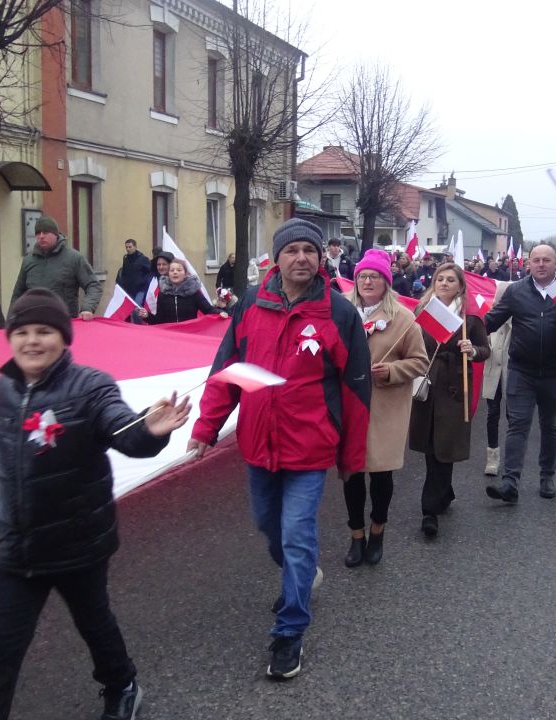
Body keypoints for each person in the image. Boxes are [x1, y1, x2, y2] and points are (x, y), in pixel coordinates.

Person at [0, 288, 192, 720]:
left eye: (44, 331)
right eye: (22, 332)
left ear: (63, 338)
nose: (32, 341)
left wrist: (148, 430)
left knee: (94, 623)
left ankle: (122, 684)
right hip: (16, 550)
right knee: (1, 649)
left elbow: (123, 429)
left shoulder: (91, 386)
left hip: (78, 543)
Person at [187, 218, 371, 680]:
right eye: (292, 251)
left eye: (310, 250)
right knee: (269, 528)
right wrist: (206, 428)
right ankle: (302, 573)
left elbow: (355, 391)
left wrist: (352, 458)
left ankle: (290, 632)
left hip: (310, 449)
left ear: (321, 258)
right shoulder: (252, 303)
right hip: (258, 444)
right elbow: (228, 370)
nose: (301, 258)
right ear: (277, 258)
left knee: (296, 535)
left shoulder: (339, 314)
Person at [342, 249, 428, 566]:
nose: (367, 281)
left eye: (375, 276)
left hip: (385, 408)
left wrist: (391, 371)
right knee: (351, 474)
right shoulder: (343, 312)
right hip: (350, 405)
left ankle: (377, 531)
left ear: (386, 282)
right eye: (363, 276)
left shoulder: (403, 319)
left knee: (380, 475)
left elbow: (420, 361)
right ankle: (356, 535)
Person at [483, 244, 556, 503]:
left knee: (550, 426)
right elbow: (492, 320)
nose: (541, 264)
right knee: (517, 424)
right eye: (536, 260)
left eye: (546, 260)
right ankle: (510, 482)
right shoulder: (516, 291)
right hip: (522, 370)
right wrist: (469, 326)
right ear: (528, 263)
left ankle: (547, 476)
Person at [409, 263, 490, 536]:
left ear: (460, 286)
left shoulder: (470, 318)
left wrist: (472, 349)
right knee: (431, 446)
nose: (444, 283)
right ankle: (443, 492)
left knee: (444, 447)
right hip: (427, 384)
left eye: (450, 280)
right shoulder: (423, 310)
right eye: (440, 279)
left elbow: (485, 349)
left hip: (455, 388)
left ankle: (429, 511)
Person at [11, 216, 102, 319]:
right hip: (34, 321)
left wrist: (87, 308)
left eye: (45, 232)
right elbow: (18, 294)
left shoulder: (74, 258)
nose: (41, 236)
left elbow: (93, 285)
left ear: (55, 234)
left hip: (64, 322)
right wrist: (12, 320)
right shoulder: (28, 261)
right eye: (38, 233)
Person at [481, 279, 512, 476]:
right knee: (492, 415)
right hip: (492, 373)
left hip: (513, 374)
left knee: (513, 417)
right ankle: (492, 457)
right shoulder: (489, 318)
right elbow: (481, 344)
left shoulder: (519, 320)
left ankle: (512, 458)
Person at [137, 259, 229, 324]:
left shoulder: (194, 292)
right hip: (170, 336)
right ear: (168, 274)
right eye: (172, 270)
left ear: (185, 273)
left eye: (179, 270)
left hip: (189, 335)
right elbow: (160, 320)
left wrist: (220, 312)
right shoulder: (163, 294)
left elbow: (208, 310)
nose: (175, 272)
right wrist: (147, 316)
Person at [115, 239, 152, 306]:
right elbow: (124, 272)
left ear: (135, 247)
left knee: (137, 307)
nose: (128, 249)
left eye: (130, 247)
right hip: (128, 290)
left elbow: (150, 272)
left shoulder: (142, 259)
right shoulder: (126, 258)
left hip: (140, 290)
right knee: (129, 308)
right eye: (126, 247)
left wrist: (143, 281)